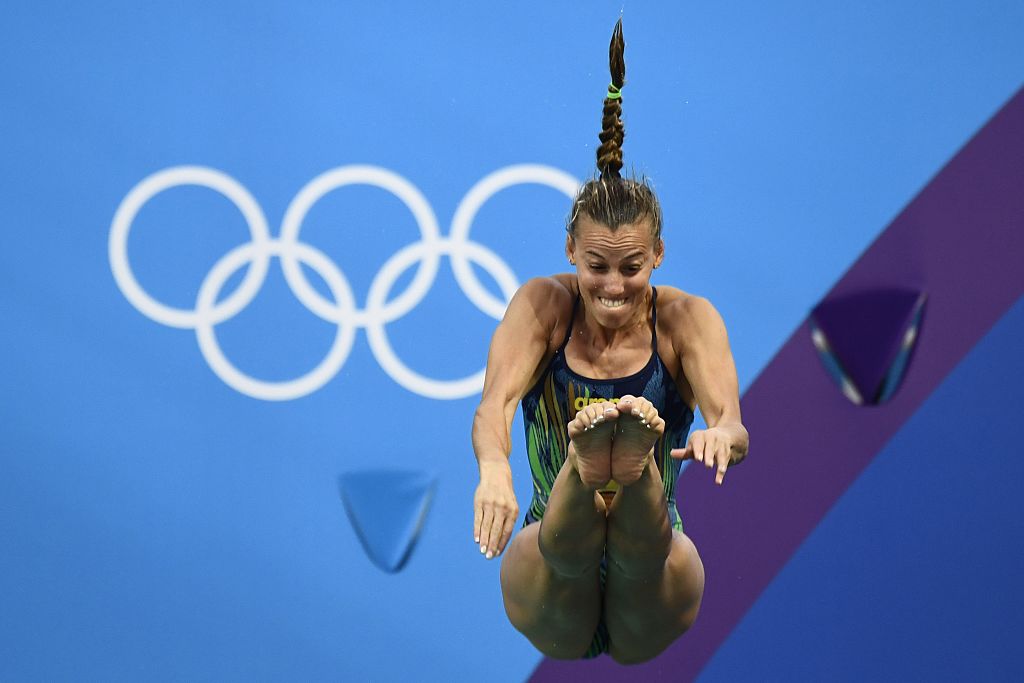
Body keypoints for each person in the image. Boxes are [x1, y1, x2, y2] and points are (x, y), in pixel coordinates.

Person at [471, 19, 749, 664]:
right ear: (570, 251)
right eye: (596, 266)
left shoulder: (686, 319)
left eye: (632, 267)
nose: (614, 286)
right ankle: (592, 465)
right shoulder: (543, 304)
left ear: (658, 254)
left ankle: (623, 466)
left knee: (640, 549)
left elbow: (734, 427)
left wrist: (718, 438)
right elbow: (494, 406)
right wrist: (492, 468)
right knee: (567, 547)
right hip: (550, 556)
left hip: (652, 571)